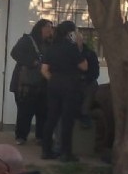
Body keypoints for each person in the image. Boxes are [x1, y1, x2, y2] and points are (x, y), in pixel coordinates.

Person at [40, 21, 88, 162]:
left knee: (51, 118)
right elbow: (84, 66)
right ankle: (66, 153)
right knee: (67, 120)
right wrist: (80, 47)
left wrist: (54, 80)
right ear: (70, 33)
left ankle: (46, 151)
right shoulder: (72, 48)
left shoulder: (52, 48)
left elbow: (44, 70)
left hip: (54, 85)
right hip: (70, 86)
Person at [9, 19, 54, 145]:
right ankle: (21, 136)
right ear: (41, 28)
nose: (50, 30)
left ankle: (40, 136)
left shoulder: (49, 44)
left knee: (43, 111)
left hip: (43, 84)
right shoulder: (27, 40)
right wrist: (32, 62)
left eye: (51, 28)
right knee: (25, 111)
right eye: (48, 27)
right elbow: (15, 53)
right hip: (24, 84)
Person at [77, 35, 100, 129]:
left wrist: (84, 77)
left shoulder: (90, 54)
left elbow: (95, 72)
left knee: (92, 86)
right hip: (71, 81)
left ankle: (84, 114)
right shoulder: (67, 52)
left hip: (87, 81)